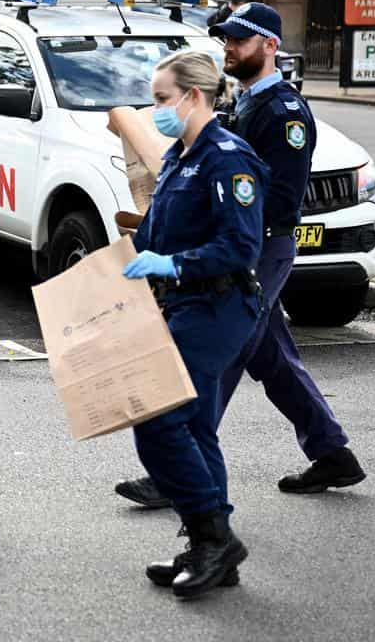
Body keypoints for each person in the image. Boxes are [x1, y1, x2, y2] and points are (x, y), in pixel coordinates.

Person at [114, 3, 365, 513]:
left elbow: (278, 197)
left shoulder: (285, 113)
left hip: (260, 248)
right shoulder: (247, 103)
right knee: (269, 355)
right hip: (246, 245)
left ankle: (180, 469)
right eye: (225, 40)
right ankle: (332, 452)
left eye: (239, 40)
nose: (228, 48)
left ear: (270, 46)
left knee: (217, 352)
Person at [121, 50, 268, 598]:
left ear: (194, 97)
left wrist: (174, 264)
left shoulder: (227, 158)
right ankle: (212, 549)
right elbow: (151, 236)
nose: (154, 109)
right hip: (183, 305)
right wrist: (103, 275)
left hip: (219, 305)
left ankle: (214, 538)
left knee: (156, 415)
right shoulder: (182, 158)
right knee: (197, 427)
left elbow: (240, 245)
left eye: (161, 99)